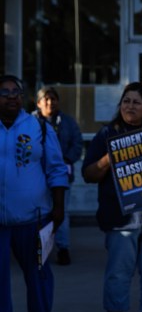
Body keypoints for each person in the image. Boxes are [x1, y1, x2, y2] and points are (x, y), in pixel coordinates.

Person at [82, 82, 142, 312]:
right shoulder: (106, 135)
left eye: (136, 102)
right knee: (118, 273)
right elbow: (88, 174)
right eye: (126, 101)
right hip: (120, 220)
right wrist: (107, 160)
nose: (130, 106)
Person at [0, 74, 69, 312]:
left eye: (15, 92)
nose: (11, 97)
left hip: (33, 221)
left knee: (39, 284)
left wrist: (59, 208)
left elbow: (56, 169)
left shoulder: (39, 127)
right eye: (4, 93)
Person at [33, 85, 83, 265]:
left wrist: (65, 160)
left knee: (61, 211)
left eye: (53, 98)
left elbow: (77, 143)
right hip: (36, 178)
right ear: (38, 103)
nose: (50, 102)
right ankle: (40, 247)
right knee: (38, 214)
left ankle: (63, 248)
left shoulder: (68, 122)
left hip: (61, 176)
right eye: (45, 99)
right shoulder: (29, 122)